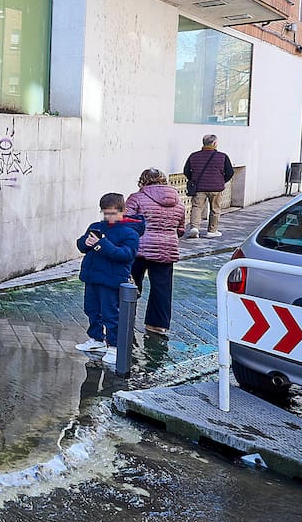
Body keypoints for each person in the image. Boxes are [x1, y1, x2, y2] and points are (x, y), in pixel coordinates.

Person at [76, 193, 145, 367]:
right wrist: (86, 242)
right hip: (92, 277)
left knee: (111, 314)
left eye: (112, 213)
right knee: (92, 310)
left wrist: (101, 244)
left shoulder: (130, 232)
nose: (108, 217)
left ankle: (114, 346)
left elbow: (126, 255)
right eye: (105, 213)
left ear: (123, 211)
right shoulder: (96, 226)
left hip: (112, 279)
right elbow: (82, 245)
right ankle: (96, 339)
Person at [126, 168, 186, 336]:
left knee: (131, 284)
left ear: (142, 181)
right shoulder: (178, 202)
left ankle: (126, 317)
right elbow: (181, 229)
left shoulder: (136, 198)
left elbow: (127, 222)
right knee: (162, 288)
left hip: (138, 249)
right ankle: (157, 325)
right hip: (167, 250)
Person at [183, 134, 234, 238]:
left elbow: (186, 171)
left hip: (199, 187)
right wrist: (221, 181)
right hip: (216, 188)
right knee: (215, 209)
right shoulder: (222, 156)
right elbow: (230, 172)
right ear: (214, 143)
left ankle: (194, 228)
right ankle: (212, 230)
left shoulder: (194, 156)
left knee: (197, 207)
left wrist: (193, 180)